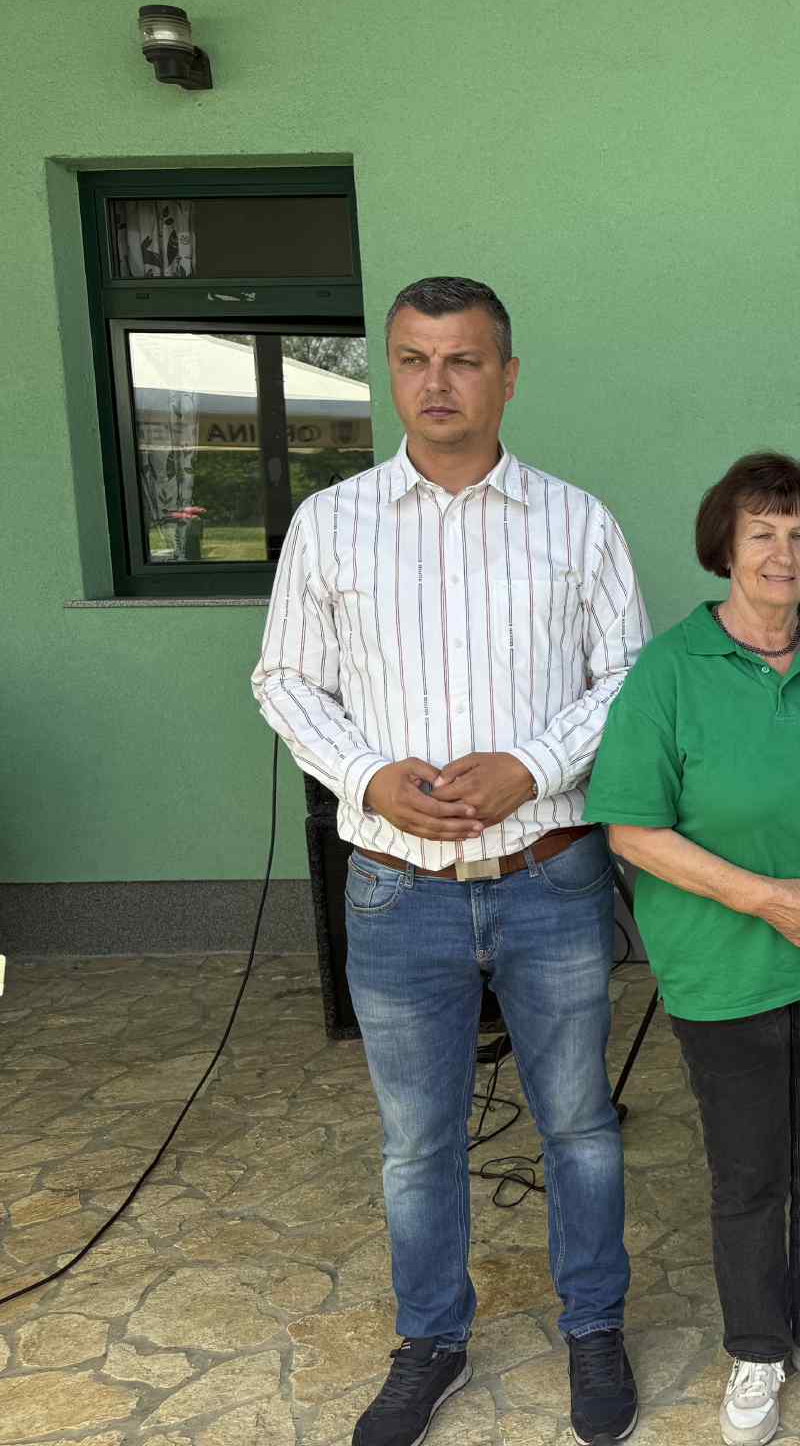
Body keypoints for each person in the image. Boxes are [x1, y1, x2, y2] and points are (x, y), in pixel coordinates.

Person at [253, 276, 645, 1446]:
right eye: (415, 359)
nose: (438, 382)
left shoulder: (577, 523)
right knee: (417, 1141)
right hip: (396, 891)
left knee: (577, 1124)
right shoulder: (333, 523)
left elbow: (629, 675)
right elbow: (285, 679)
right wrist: (367, 775)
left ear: (506, 377)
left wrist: (532, 764)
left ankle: (593, 1324)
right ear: (391, 371)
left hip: (548, 877)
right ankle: (429, 1337)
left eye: (464, 360)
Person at [588, 453, 800, 1446]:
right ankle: (754, 1348)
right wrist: (760, 899)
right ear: (725, 548)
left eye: (799, 533)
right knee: (748, 1171)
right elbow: (631, 828)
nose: (783, 553)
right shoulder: (669, 670)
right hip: (723, 963)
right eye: (761, 533)